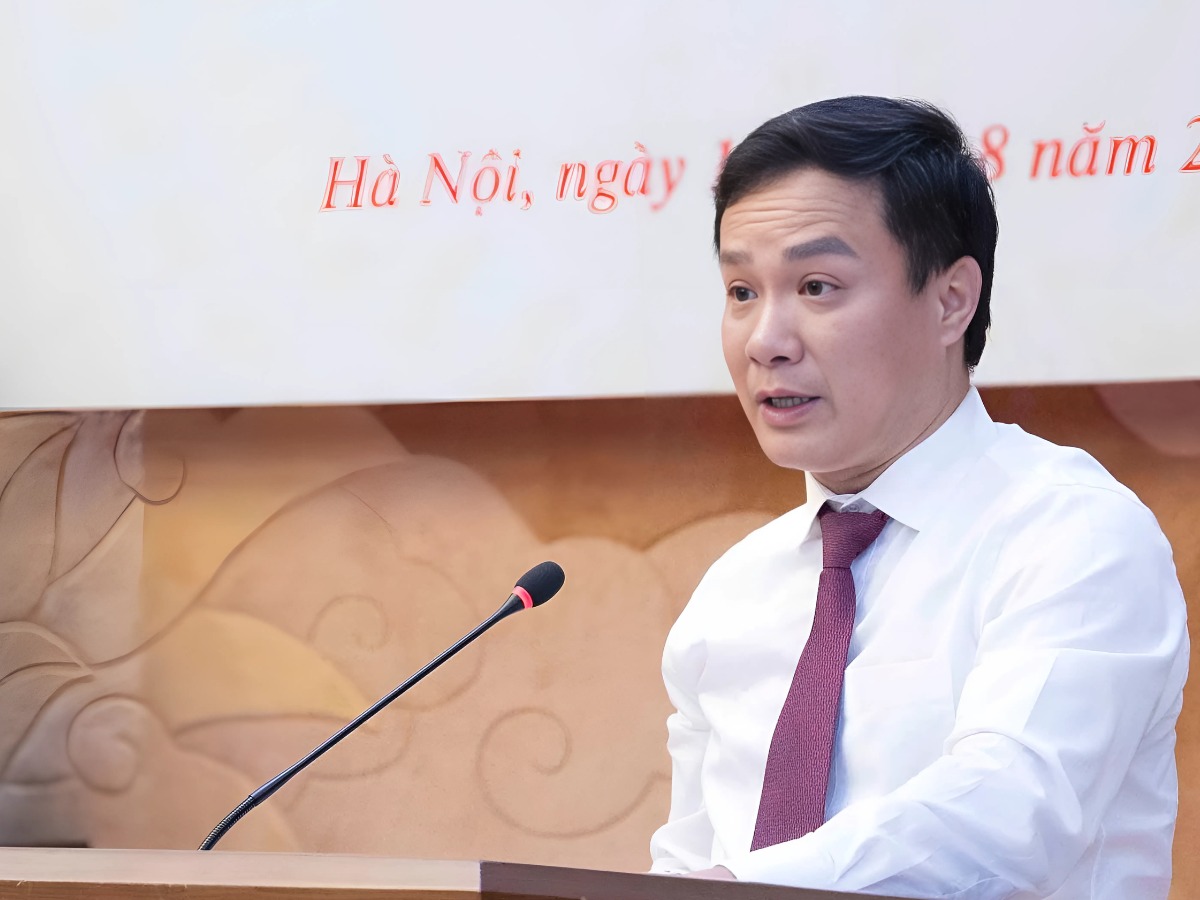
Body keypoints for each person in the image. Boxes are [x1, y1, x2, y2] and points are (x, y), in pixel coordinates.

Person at [648, 96, 1189, 899]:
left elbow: (1009, 816)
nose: (766, 340)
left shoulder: (1073, 533)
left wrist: (743, 888)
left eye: (817, 286)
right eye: (741, 292)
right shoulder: (735, 590)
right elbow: (686, 867)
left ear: (950, 301)